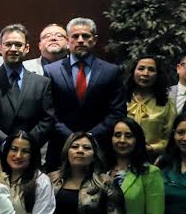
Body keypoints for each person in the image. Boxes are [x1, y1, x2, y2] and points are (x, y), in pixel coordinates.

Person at [45, 17, 126, 168]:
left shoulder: (111, 71)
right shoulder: (51, 71)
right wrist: (71, 137)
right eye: (75, 36)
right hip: (61, 148)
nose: (80, 40)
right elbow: (48, 112)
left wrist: (91, 136)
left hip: (99, 148)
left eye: (86, 36)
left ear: (94, 40)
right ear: (68, 40)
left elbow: (117, 111)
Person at [0, 24, 55, 152]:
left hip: (30, 154)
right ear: (0, 48)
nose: (13, 49)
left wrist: (25, 145)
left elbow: (47, 120)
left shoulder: (42, 83)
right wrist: (5, 142)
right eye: (8, 44)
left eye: (18, 45)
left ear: (26, 48)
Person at [124, 55, 177, 158]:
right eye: (141, 68)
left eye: (151, 70)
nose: (145, 73)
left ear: (158, 75)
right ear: (133, 72)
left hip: (151, 158)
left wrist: (152, 148)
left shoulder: (167, 104)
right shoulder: (121, 99)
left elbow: (170, 138)